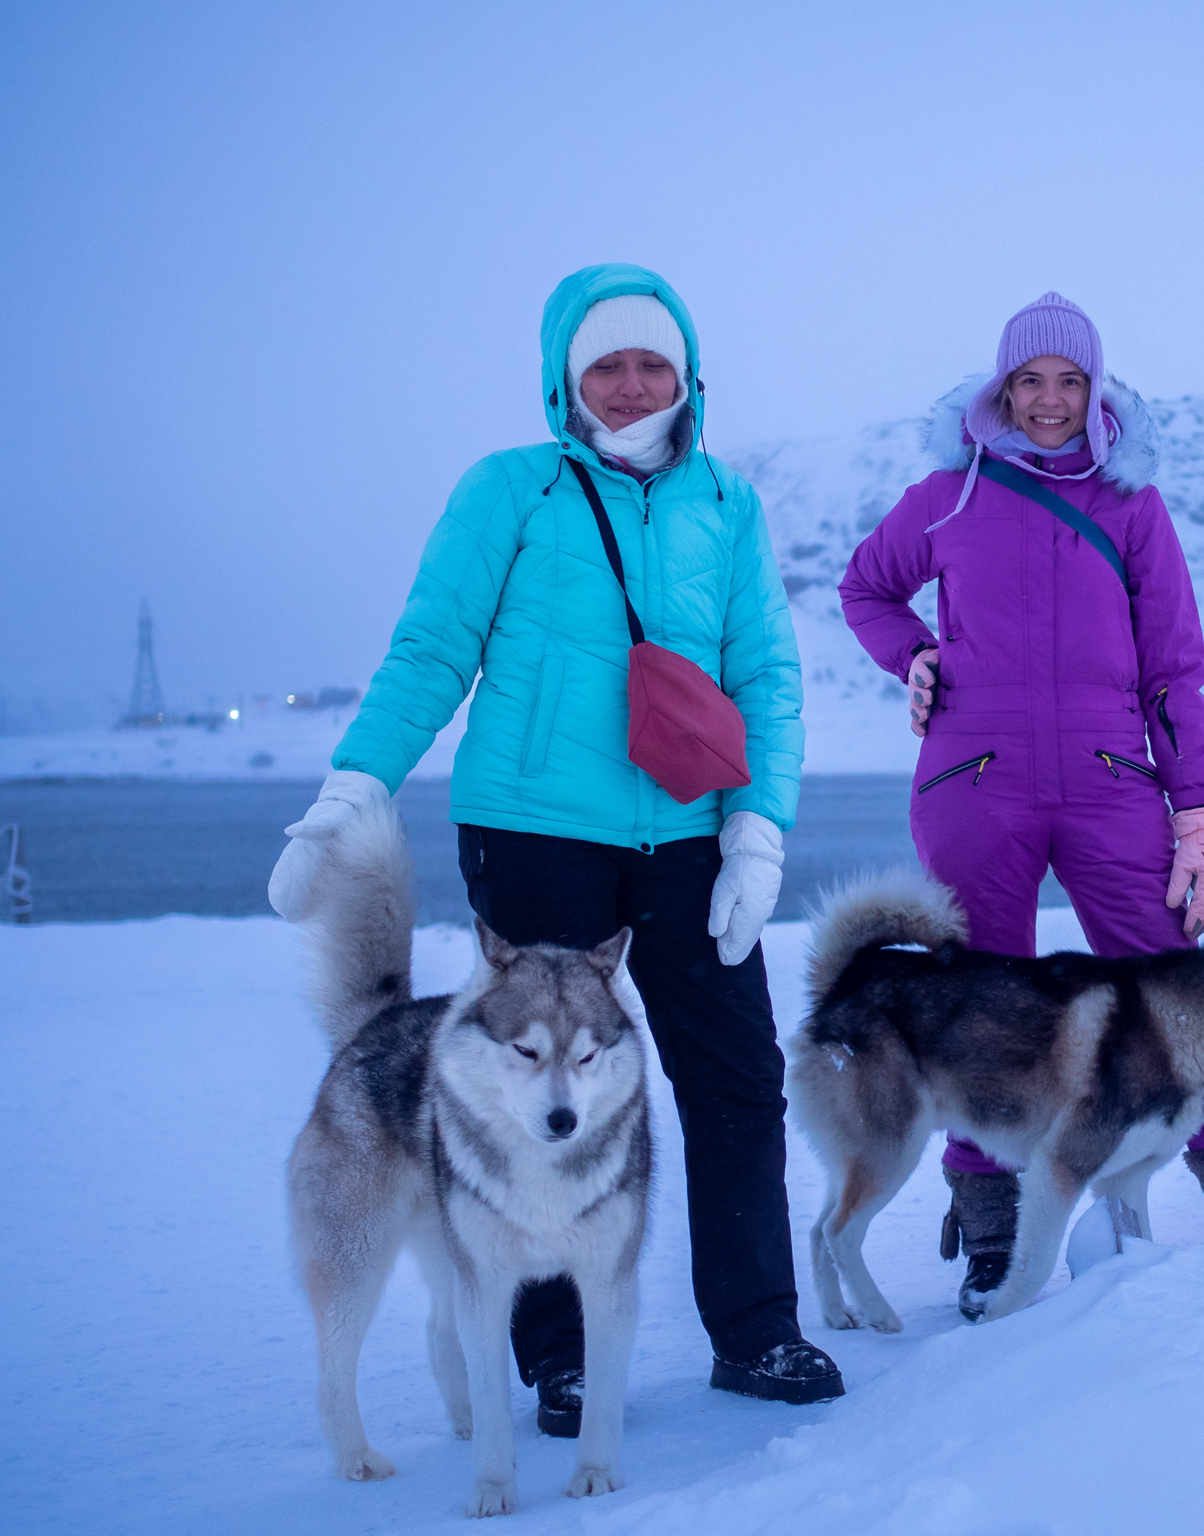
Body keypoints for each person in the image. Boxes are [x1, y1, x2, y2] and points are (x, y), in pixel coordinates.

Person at [268, 264, 843, 1430]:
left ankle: (759, 1333)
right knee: (524, 1093)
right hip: (535, 838)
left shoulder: (725, 504)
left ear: (686, 376)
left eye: (653, 364)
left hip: (687, 834)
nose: (632, 386)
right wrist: (348, 790)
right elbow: (434, 648)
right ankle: (559, 1359)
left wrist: (757, 830)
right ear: (563, 378)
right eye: (607, 365)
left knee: (737, 1079)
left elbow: (767, 675)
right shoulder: (510, 493)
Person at [837, 292, 1204, 1317]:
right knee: (976, 1008)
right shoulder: (944, 498)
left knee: (1189, 993)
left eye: (1068, 382)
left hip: (1108, 782)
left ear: (1096, 394)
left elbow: (1173, 674)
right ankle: (991, 1225)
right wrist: (912, 655)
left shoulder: (1130, 505)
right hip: (972, 783)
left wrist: (1198, 821)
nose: (1048, 402)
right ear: (998, 389)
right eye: (1029, 381)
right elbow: (865, 591)